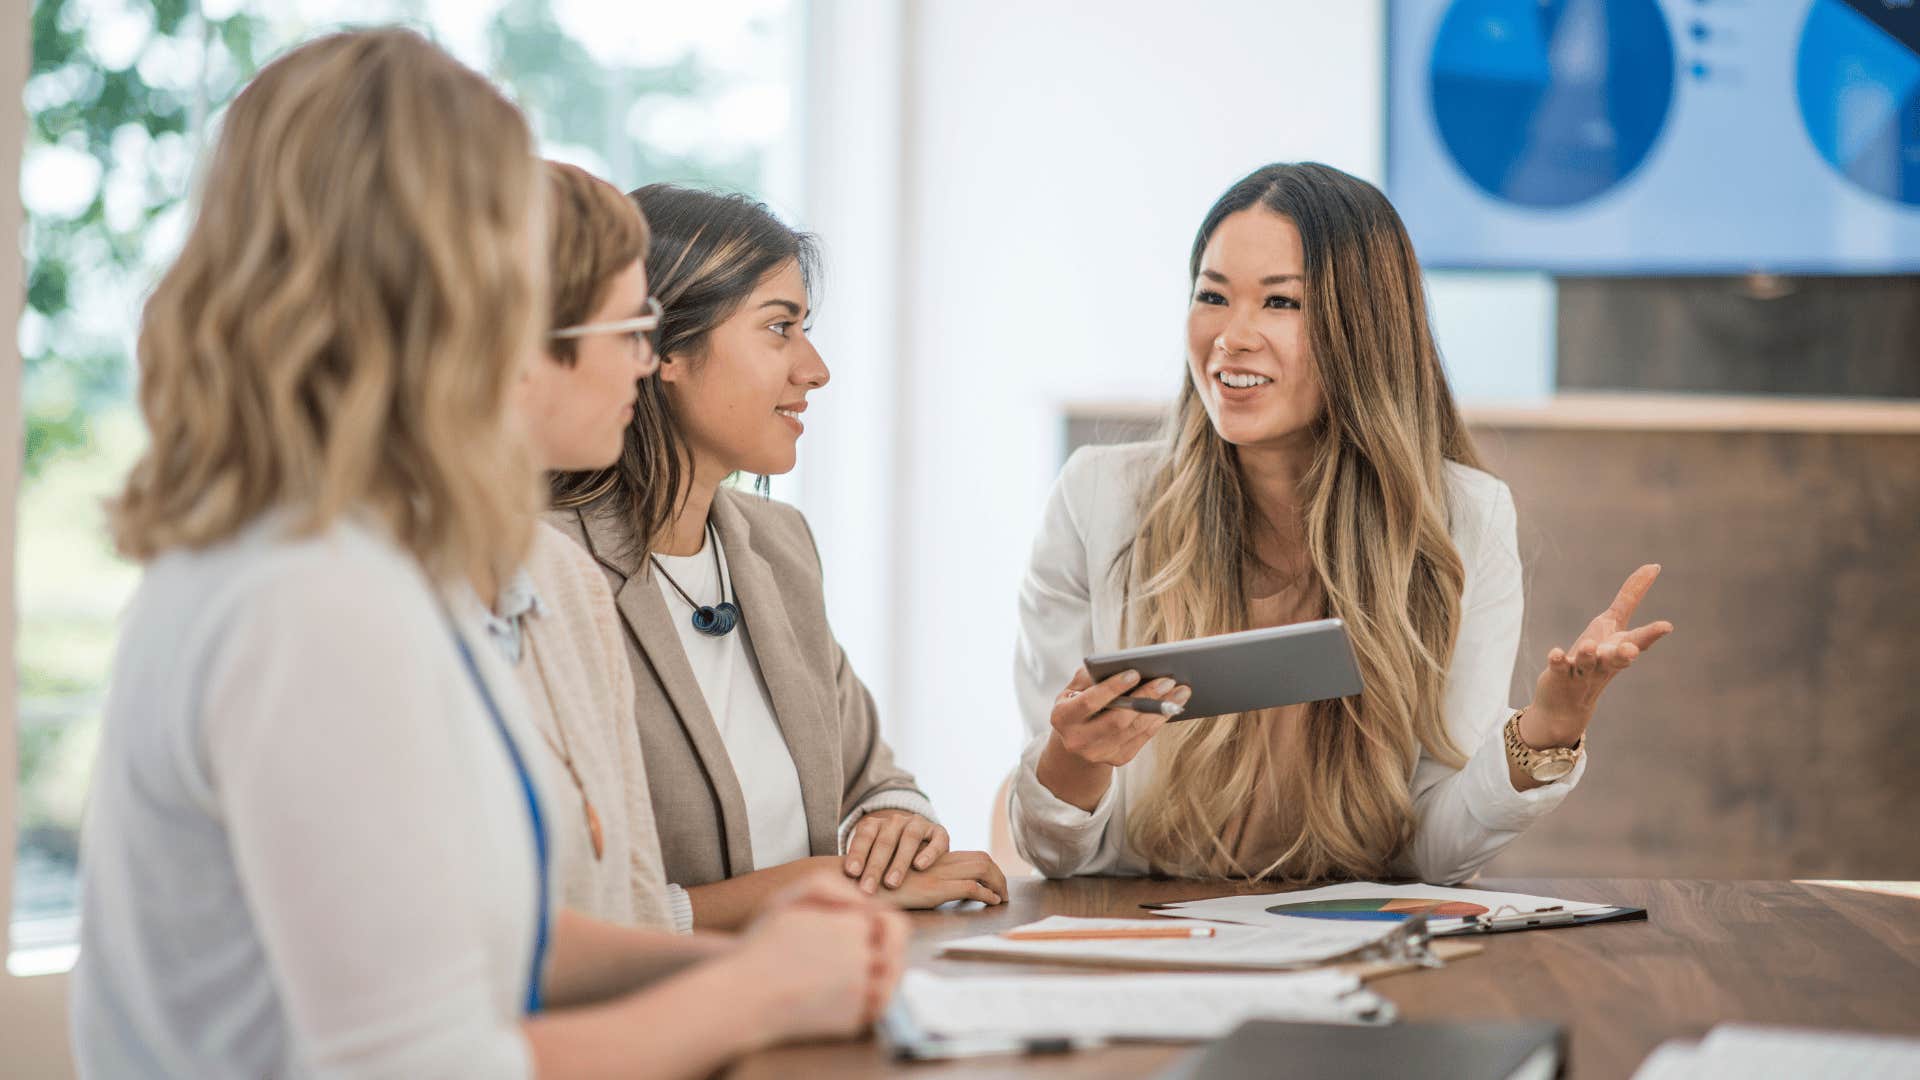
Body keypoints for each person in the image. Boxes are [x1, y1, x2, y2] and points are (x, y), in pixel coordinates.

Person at [72, 30, 902, 1079]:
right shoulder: (311, 597)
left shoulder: (357, 562)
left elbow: (480, 943)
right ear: (447, 279)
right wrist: (756, 988)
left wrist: (765, 956)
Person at [1008, 162, 1673, 884]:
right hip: (1153, 947)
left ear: (1363, 326)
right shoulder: (1098, 501)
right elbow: (1060, 855)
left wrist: (1549, 729)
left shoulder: (1463, 518)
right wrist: (1072, 760)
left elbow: (1432, 854)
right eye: (1212, 295)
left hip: (1353, 946)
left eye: (1281, 304)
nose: (1232, 336)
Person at [551, 185, 1008, 929]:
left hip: (812, 1001)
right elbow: (571, 918)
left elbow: (872, 775)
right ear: (664, 349)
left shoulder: (776, 543)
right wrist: (826, 889)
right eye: (779, 328)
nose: (815, 368)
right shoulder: (547, 569)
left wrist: (896, 826)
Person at [492, 160, 674, 928]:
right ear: (525, 343)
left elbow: (635, 912)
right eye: (630, 329)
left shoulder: (565, 580)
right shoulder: (350, 599)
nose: (647, 361)